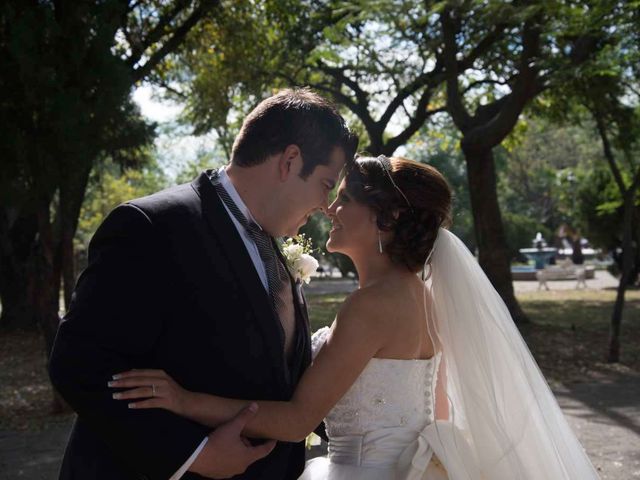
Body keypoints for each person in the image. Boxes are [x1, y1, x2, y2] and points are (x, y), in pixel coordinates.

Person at [109, 156, 600, 479]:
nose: (330, 208)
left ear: (385, 220)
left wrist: (183, 399)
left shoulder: (373, 305)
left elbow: (299, 419)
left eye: (344, 198)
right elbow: (438, 410)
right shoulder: (422, 295)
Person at [48, 88, 358, 480]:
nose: (327, 207)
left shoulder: (275, 251)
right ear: (290, 161)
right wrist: (191, 455)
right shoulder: (152, 227)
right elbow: (79, 363)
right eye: (327, 185)